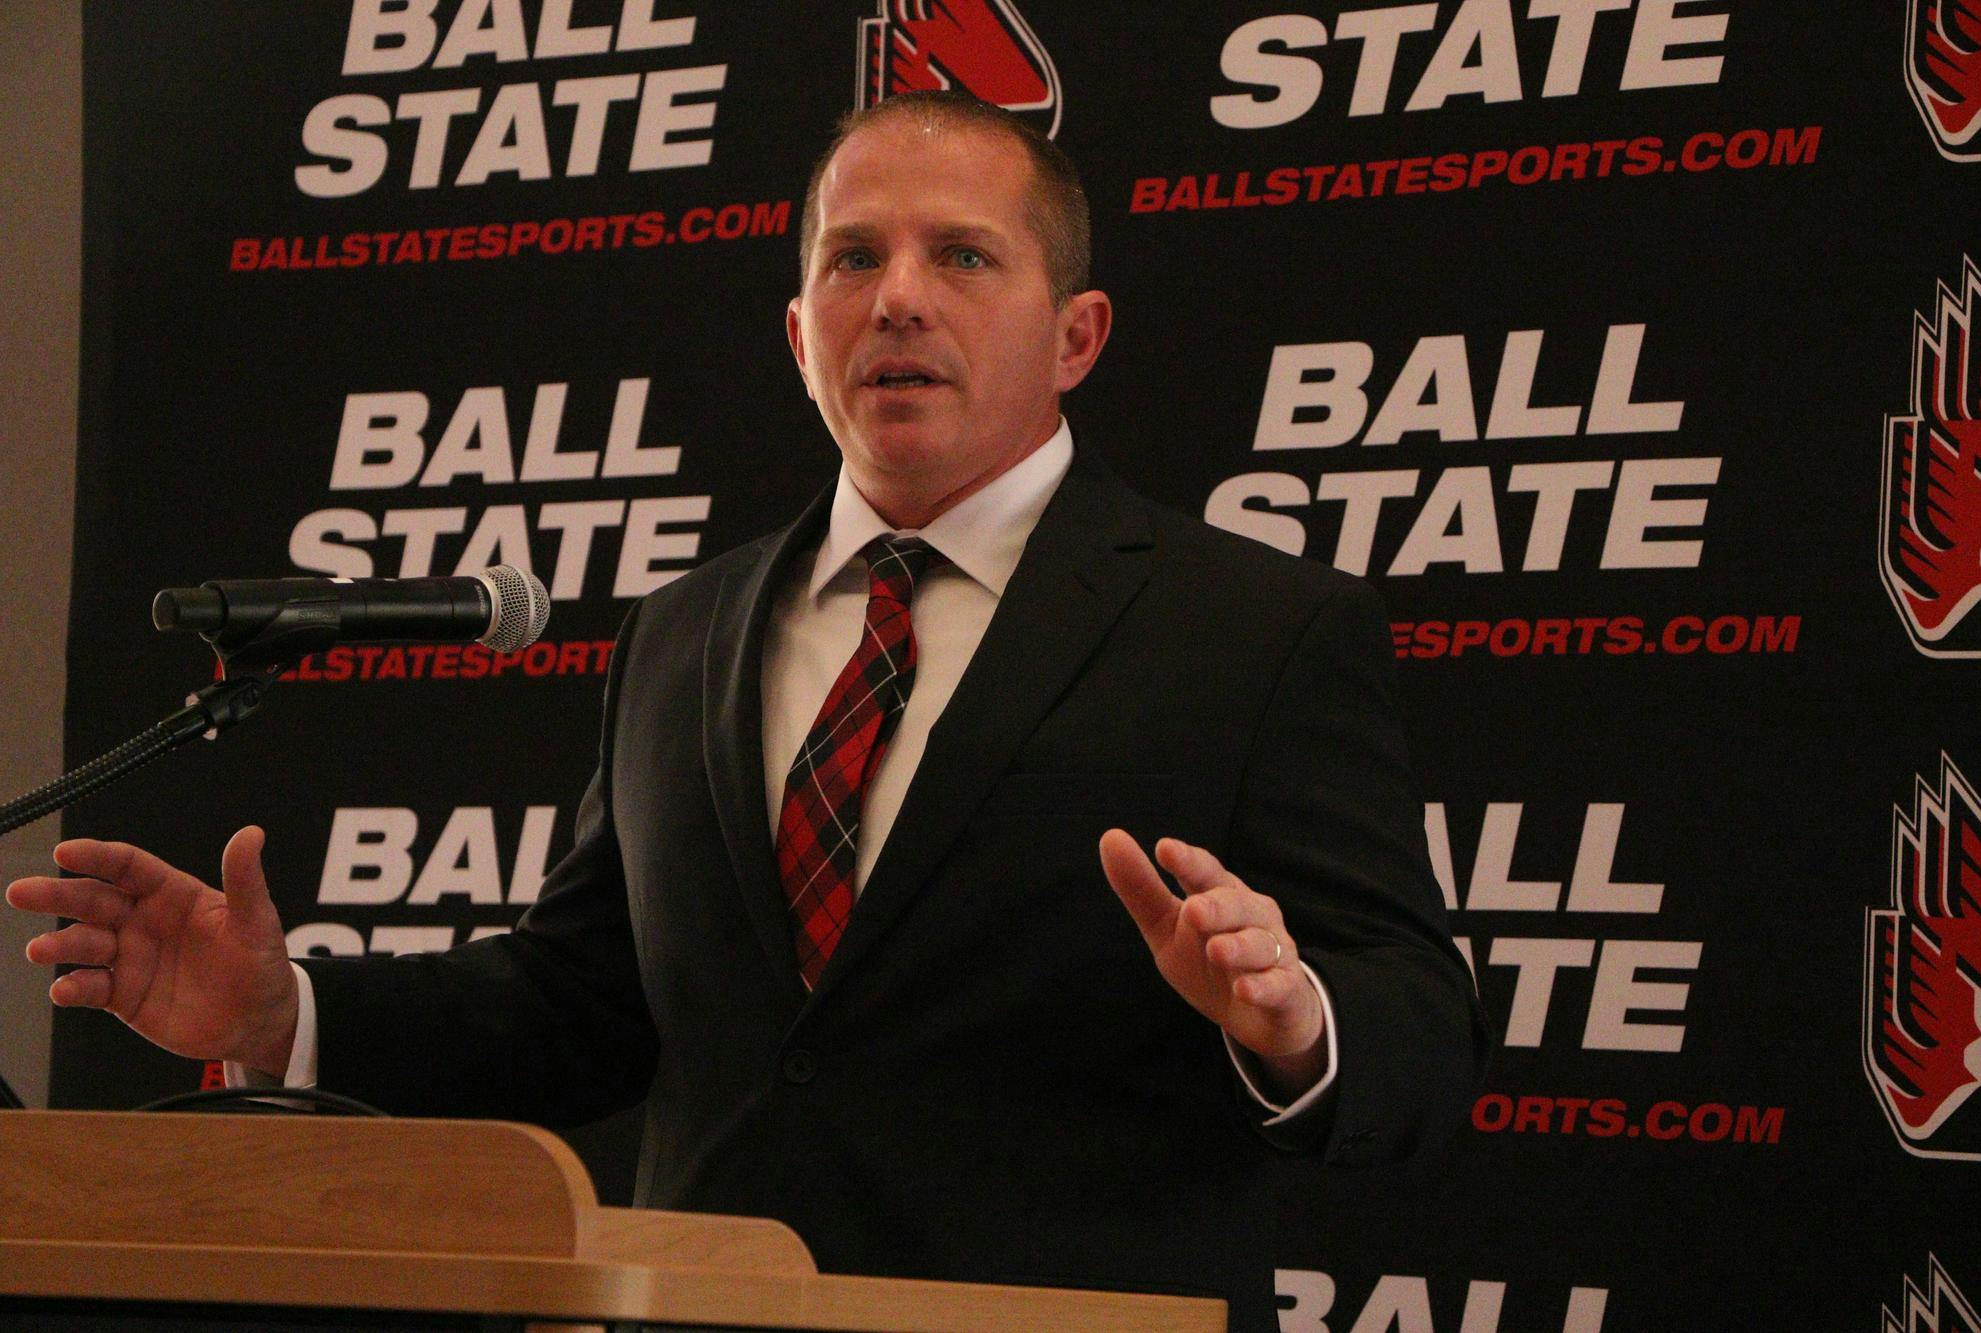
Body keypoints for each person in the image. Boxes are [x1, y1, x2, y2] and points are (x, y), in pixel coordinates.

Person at [7, 92, 1485, 1328]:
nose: (896, 294)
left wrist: (1297, 1021)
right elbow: (583, 1005)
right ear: (797, 334)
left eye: (962, 255)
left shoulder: (1259, 628)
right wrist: (287, 1013)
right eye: (853, 260)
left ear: (1079, 334)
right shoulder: (684, 629)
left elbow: (1423, 1032)